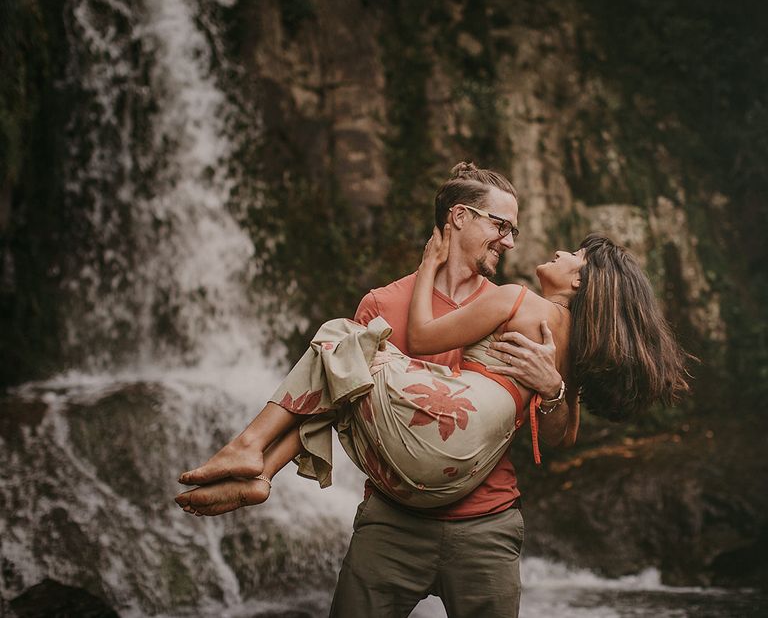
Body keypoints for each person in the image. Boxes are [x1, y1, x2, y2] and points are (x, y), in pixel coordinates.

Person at [175, 163, 689, 616]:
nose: (511, 241)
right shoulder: (382, 304)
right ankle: (255, 469)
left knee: (337, 344)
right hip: (391, 525)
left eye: (514, 229)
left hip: (486, 525)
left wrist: (553, 389)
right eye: (501, 225)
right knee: (343, 358)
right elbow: (331, 403)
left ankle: (251, 456)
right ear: (459, 218)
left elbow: (557, 439)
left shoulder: (516, 306)